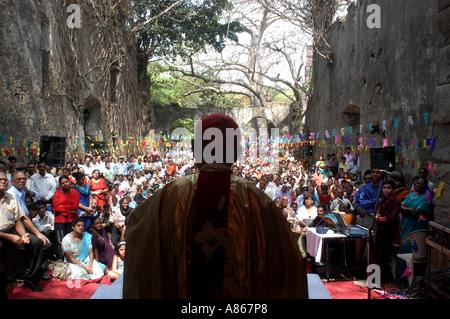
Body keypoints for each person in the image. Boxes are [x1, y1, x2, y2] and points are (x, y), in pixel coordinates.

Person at [123, 114, 307, 298]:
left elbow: (137, 234)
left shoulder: (168, 196)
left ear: (195, 148)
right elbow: (288, 261)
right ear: (236, 151)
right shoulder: (258, 201)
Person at [0, 172, 51, 295]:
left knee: (38, 243)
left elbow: (18, 219)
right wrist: (10, 237)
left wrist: (23, 234)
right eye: (0, 180)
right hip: (3, 235)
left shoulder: (11, 197)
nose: (3, 182)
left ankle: (30, 277)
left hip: (11, 229)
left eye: (4, 180)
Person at [374, 180, 401, 284]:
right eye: (384, 188)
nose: (386, 190)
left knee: (385, 256)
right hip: (381, 230)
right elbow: (378, 212)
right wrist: (378, 216)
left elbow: (391, 218)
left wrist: (380, 218)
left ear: (393, 190)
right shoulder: (382, 201)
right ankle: (379, 279)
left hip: (390, 232)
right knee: (378, 255)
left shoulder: (396, 202)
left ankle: (388, 280)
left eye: (388, 188)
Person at [53, 175, 80, 260]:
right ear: (60, 185)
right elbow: (56, 208)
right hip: (60, 221)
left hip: (72, 220)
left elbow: (75, 207)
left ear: (70, 182)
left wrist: (62, 207)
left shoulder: (75, 193)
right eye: (62, 183)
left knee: (72, 240)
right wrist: (69, 211)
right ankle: (62, 260)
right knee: (61, 241)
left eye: (66, 182)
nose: (65, 184)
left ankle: (73, 259)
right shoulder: (57, 193)